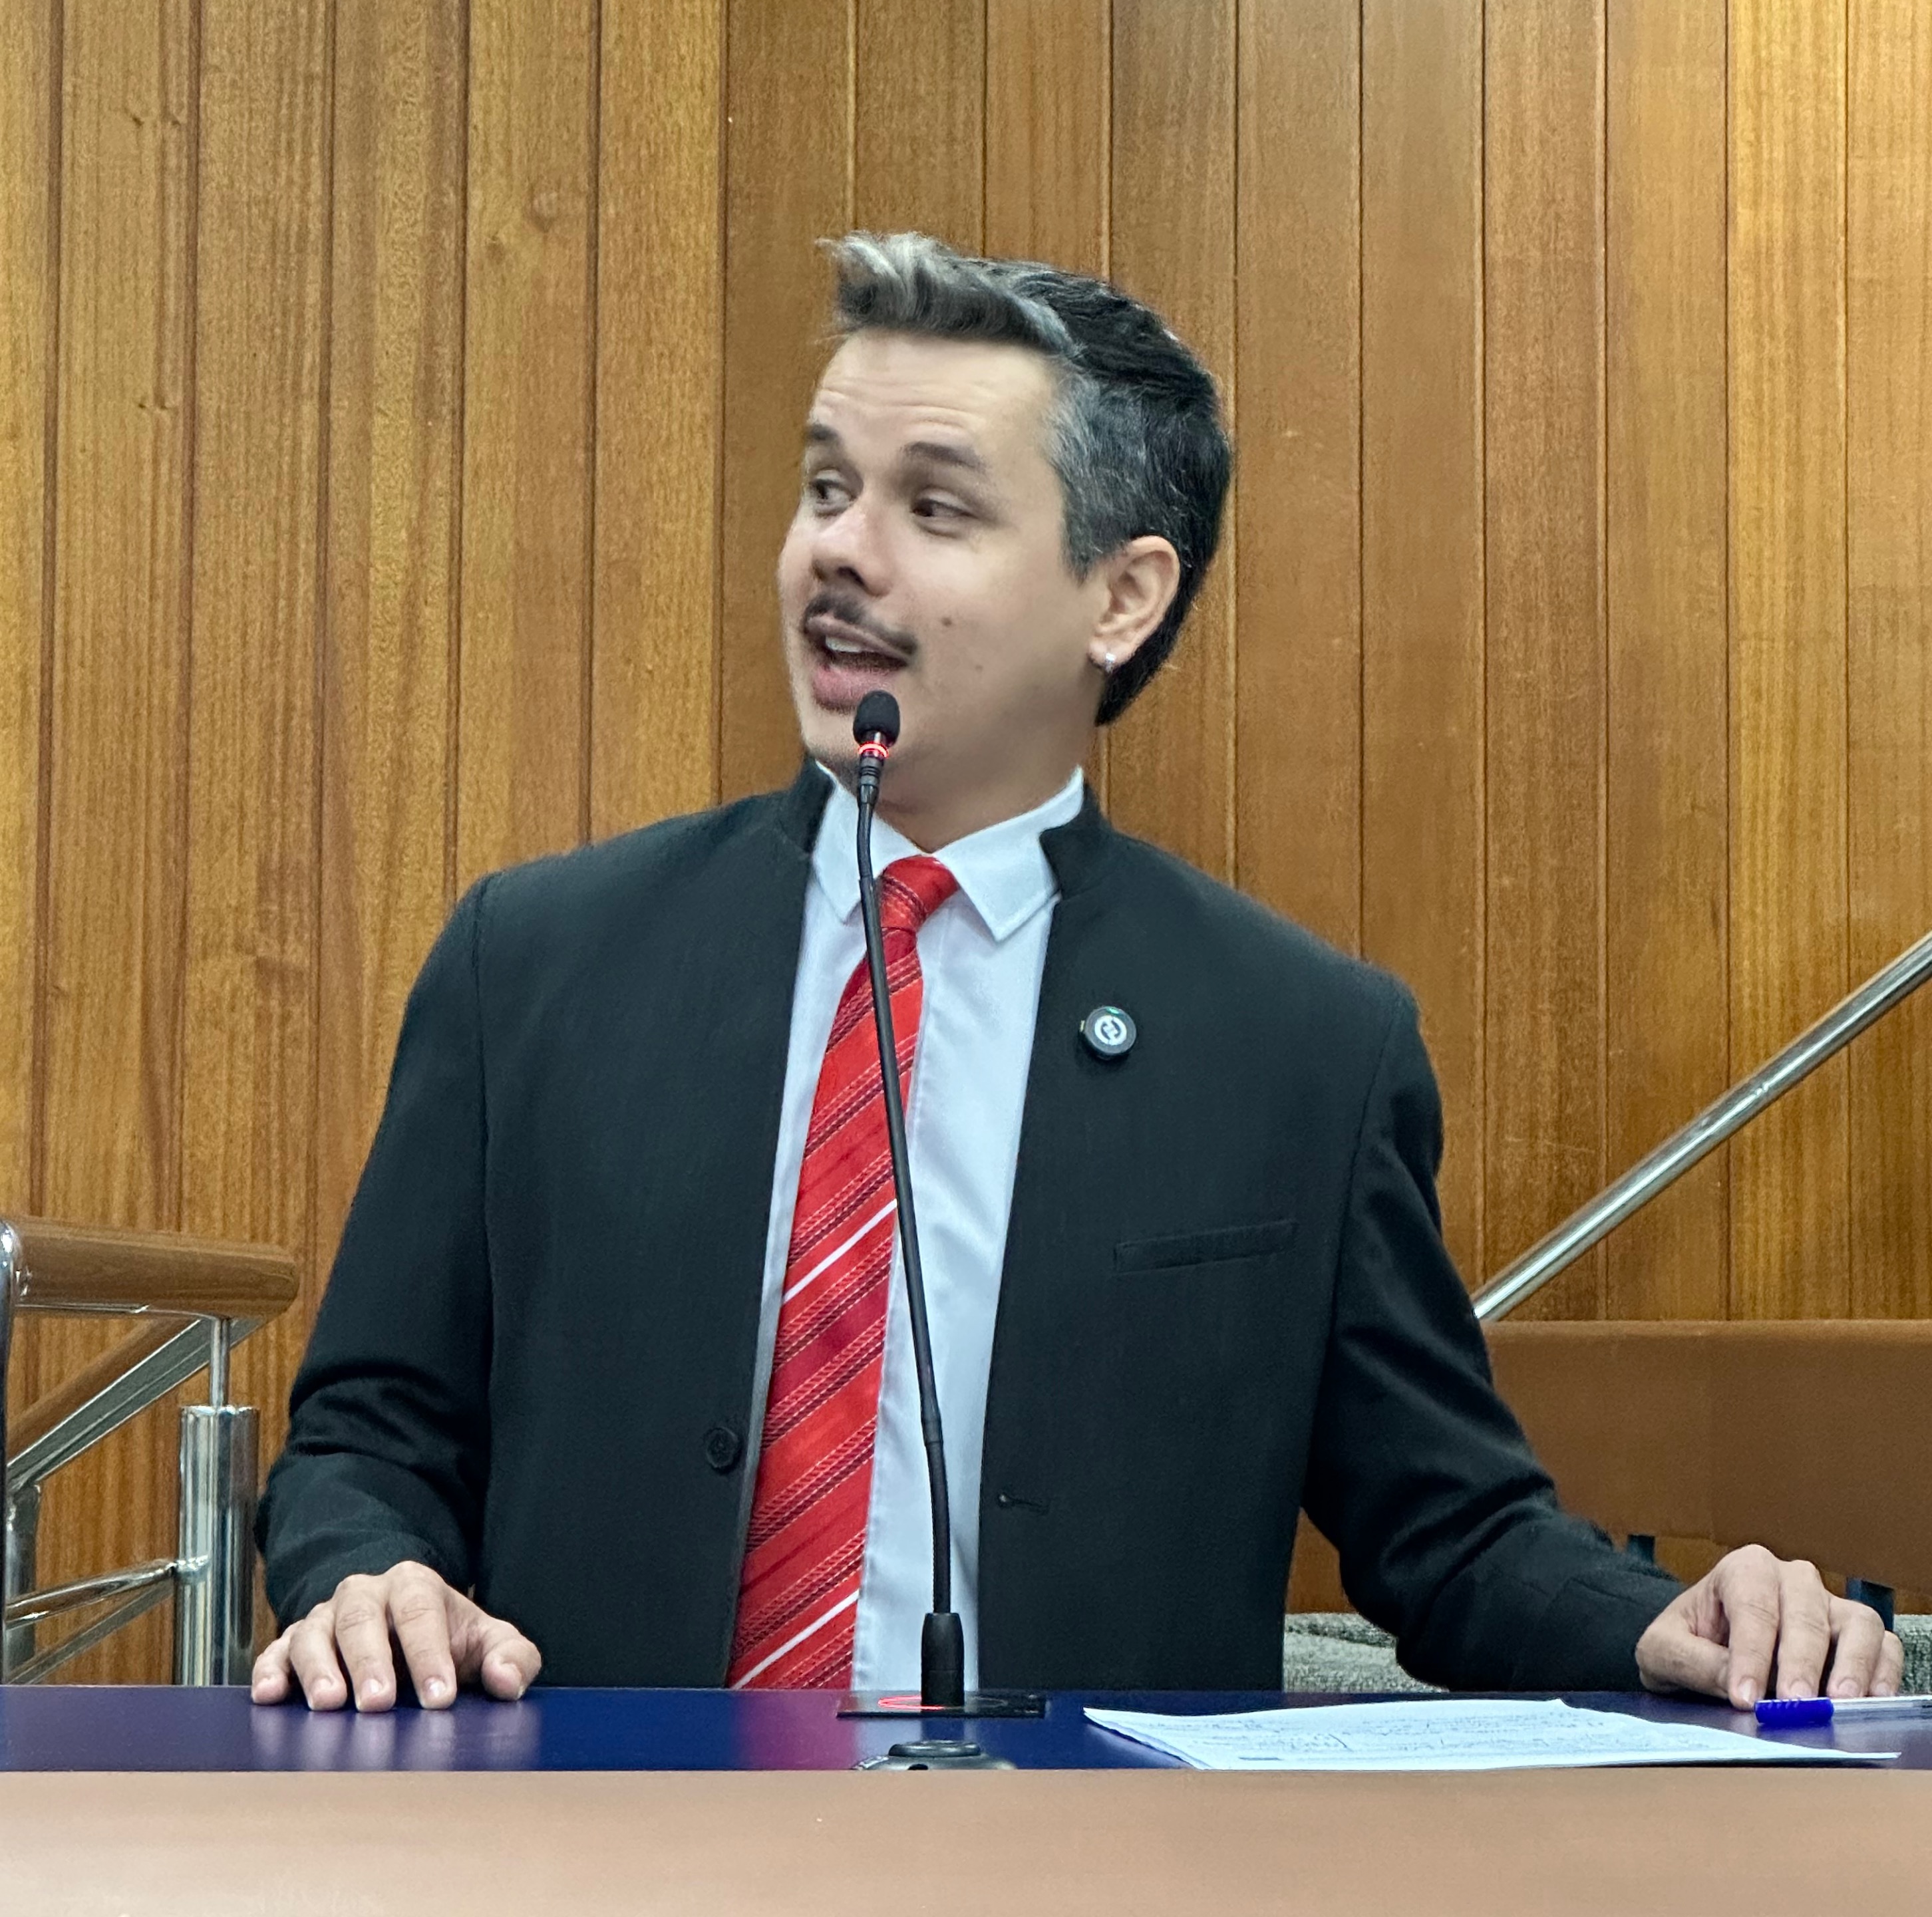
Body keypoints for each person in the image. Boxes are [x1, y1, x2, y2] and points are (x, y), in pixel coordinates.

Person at [253, 232, 1903, 1715]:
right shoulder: (538, 963)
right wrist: (369, 1575)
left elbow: (1451, 1532)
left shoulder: (1297, 1047)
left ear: (1121, 596)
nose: (842, 554)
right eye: (826, 489)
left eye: (935, 508)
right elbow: (366, 1433)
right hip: (599, 1878)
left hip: (1085, 1907)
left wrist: (1668, 1622)